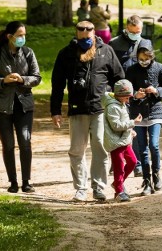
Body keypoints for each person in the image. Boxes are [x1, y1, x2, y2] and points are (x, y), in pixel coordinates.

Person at [50, 20, 125, 202]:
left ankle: (99, 187)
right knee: (77, 150)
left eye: (88, 30)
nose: (85, 33)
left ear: (94, 32)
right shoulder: (66, 54)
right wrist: (55, 110)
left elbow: (119, 78)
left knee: (99, 147)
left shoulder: (106, 51)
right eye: (81, 30)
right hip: (77, 109)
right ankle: (81, 188)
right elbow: (57, 85)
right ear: (76, 32)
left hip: (100, 109)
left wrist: (120, 104)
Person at [0, 21, 42, 193]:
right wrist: (2, 81)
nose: (23, 38)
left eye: (24, 35)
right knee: (8, 144)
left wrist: (23, 79)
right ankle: (13, 182)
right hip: (0, 107)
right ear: (10, 36)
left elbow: (37, 77)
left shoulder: (28, 53)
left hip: (24, 105)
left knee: (25, 142)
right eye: (19, 35)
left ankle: (26, 182)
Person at [109, 14, 153, 177]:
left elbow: (152, 64)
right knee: (119, 126)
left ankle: (138, 163)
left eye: (139, 31)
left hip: (141, 91)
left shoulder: (146, 43)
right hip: (122, 91)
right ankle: (117, 160)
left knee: (137, 128)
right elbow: (111, 68)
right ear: (127, 29)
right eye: (133, 31)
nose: (136, 34)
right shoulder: (115, 43)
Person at [126, 41, 162, 195]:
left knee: (154, 144)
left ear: (152, 56)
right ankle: (146, 180)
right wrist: (135, 95)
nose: (144, 62)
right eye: (141, 59)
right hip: (138, 114)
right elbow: (126, 93)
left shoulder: (160, 68)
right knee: (142, 148)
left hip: (156, 112)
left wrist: (156, 90)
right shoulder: (131, 70)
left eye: (146, 59)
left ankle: (156, 174)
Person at [102, 79, 143, 202]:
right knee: (119, 165)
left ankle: (117, 183)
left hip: (125, 139)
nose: (128, 100)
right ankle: (119, 191)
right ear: (120, 95)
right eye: (126, 98)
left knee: (132, 161)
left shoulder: (121, 104)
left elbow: (123, 122)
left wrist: (130, 130)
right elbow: (116, 125)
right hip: (115, 141)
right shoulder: (112, 107)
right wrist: (133, 123)